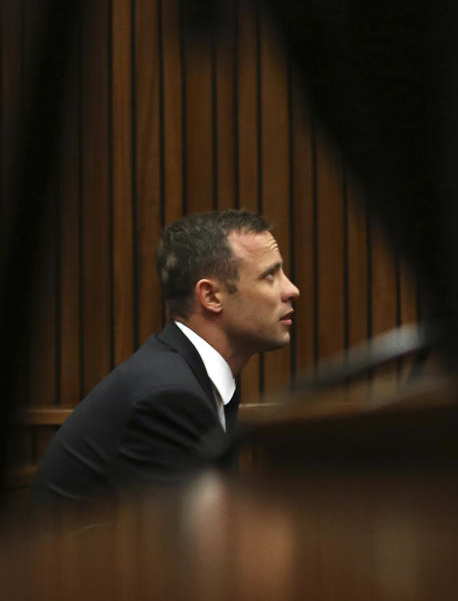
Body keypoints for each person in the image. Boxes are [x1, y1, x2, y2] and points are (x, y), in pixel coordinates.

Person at [29, 210, 299, 504]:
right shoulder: (167, 396)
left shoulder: (191, 376)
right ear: (210, 296)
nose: (292, 290)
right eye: (269, 276)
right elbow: (183, 544)